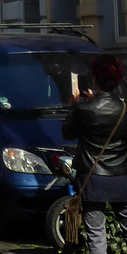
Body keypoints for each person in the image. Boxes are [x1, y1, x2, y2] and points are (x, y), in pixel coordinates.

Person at [62, 54, 127, 254]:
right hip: (121, 177)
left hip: (93, 179)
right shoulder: (124, 108)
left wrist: (74, 107)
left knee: (96, 233)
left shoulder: (85, 109)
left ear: (95, 78)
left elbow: (68, 133)